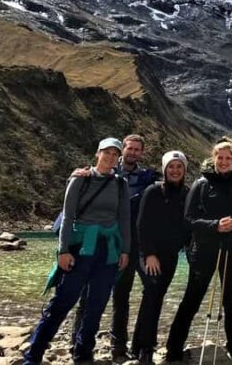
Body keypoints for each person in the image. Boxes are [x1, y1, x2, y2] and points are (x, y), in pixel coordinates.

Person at [23, 138, 131, 365]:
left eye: (115, 154)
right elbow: (68, 216)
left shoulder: (121, 184)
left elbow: (123, 219)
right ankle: (33, 356)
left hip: (108, 251)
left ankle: (83, 353)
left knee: (97, 305)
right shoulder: (80, 179)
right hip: (80, 249)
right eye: (107, 152)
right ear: (97, 153)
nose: (110, 157)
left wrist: (125, 250)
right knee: (63, 302)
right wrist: (62, 251)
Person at [69, 134, 158, 358]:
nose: (133, 152)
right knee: (89, 294)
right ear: (123, 150)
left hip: (133, 242)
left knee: (123, 295)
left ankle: (121, 344)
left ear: (141, 153)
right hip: (103, 240)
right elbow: (81, 189)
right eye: (130, 148)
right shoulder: (105, 172)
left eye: (138, 150)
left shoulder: (147, 177)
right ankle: (76, 342)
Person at [166, 138, 232, 363]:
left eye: (228, 158)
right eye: (220, 157)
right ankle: (173, 349)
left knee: (231, 301)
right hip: (204, 249)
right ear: (214, 158)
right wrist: (215, 225)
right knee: (192, 298)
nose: (223, 161)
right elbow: (188, 220)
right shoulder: (201, 184)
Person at [131, 150, 190, 364]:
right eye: (171, 167)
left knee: (154, 295)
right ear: (165, 169)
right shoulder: (153, 192)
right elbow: (142, 224)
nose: (175, 170)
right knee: (154, 293)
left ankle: (137, 344)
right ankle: (147, 347)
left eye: (179, 167)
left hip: (171, 255)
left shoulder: (187, 193)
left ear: (184, 169)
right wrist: (149, 254)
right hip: (150, 254)